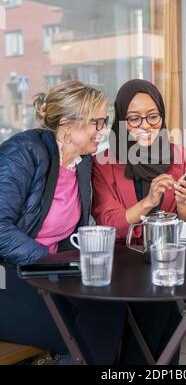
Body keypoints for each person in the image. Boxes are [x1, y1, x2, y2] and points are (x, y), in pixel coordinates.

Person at [0, 80, 126, 365]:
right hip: (7, 277)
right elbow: (0, 230)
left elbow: (73, 232)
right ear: (68, 125)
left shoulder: (82, 163)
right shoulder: (22, 152)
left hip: (47, 273)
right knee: (80, 328)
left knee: (110, 307)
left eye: (105, 121)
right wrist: (52, 263)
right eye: (98, 122)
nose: (104, 130)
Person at [92, 79, 186, 364]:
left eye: (153, 116)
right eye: (134, 118)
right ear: (122, 120)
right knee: (165, 313)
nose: (146, 125)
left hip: (166, 260)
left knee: (165, 309)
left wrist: (183, 204)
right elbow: (108, 222)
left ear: (162, 116)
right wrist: (148, 202)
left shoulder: (182, 158)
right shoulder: (105, 161)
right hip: (123, 263)